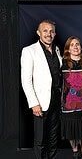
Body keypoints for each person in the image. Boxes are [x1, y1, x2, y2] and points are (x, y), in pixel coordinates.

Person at [20, 19, 62, 159]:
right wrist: (34, 103)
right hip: (41, 103)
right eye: (45, 31)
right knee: (40, 139)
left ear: (54, 34)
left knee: (53, 136)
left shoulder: (56, 50)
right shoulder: (29, 51)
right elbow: (26, 81)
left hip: (56, 100)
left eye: (51, 31)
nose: (48, 34)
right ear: (38, 33)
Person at [60, 36, 82, 159]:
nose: (75, 47)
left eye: (77, 44)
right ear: (68, 49)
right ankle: (75, 153)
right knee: (73, 131)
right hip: (69, 105)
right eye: (72, 45)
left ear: (81, 47)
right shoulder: (62, 63)